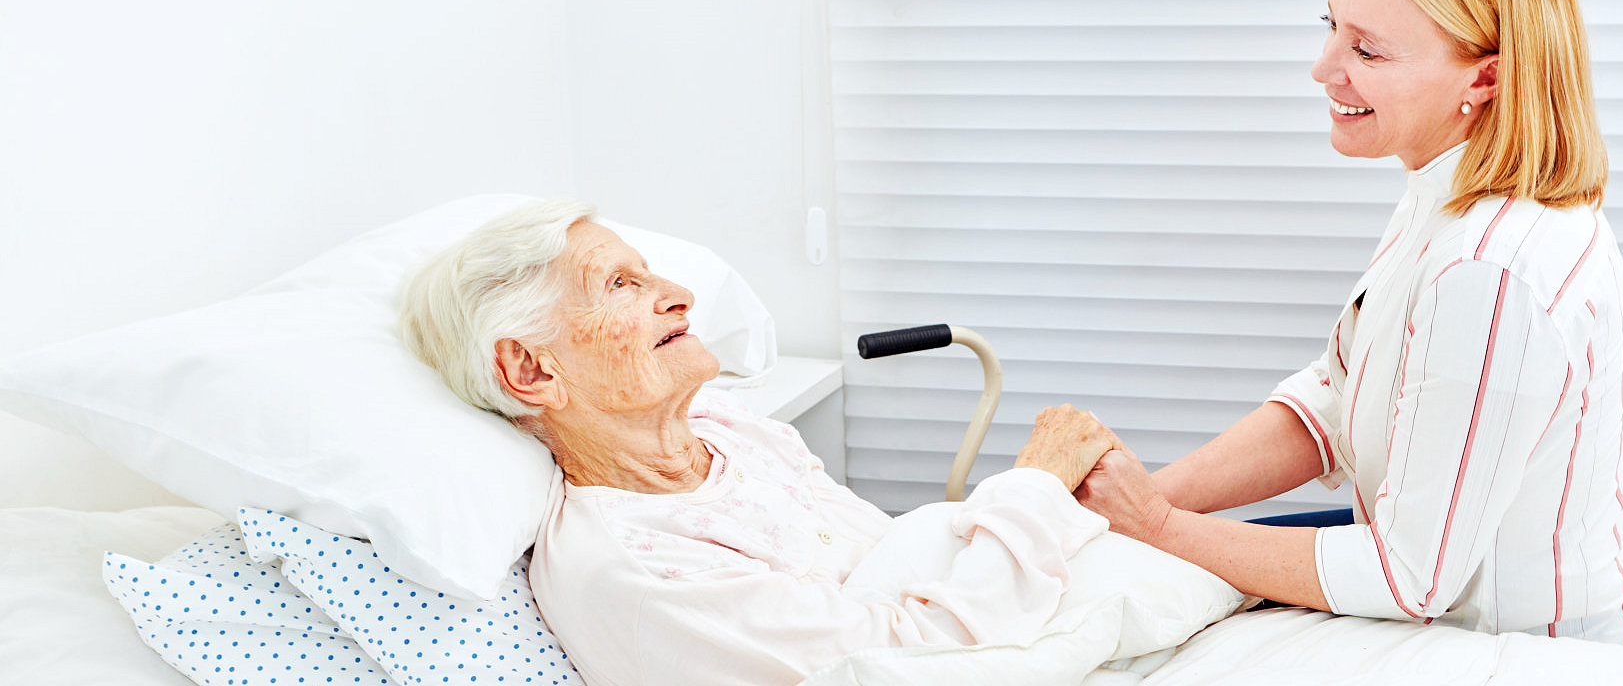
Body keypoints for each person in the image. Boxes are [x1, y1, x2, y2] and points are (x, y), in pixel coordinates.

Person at [1071, 0, 1623, 647]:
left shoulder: (1492, 271)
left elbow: (1407, 576)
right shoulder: (1444, 189)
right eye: (1332, 25)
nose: (1324, 67)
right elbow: (1340, 392)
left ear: (1485, 77)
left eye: (1366, 48)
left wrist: (1157, 526)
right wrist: (1153, 499)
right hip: (1445, 601)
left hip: (1529, 652)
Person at [398, 199, 1120, 686]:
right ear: (531, 369)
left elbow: (885, 570)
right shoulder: (642, 571)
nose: (678, 292)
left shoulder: (722, 429)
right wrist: (1035, 488)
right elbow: (925, 665)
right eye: (619, 283)